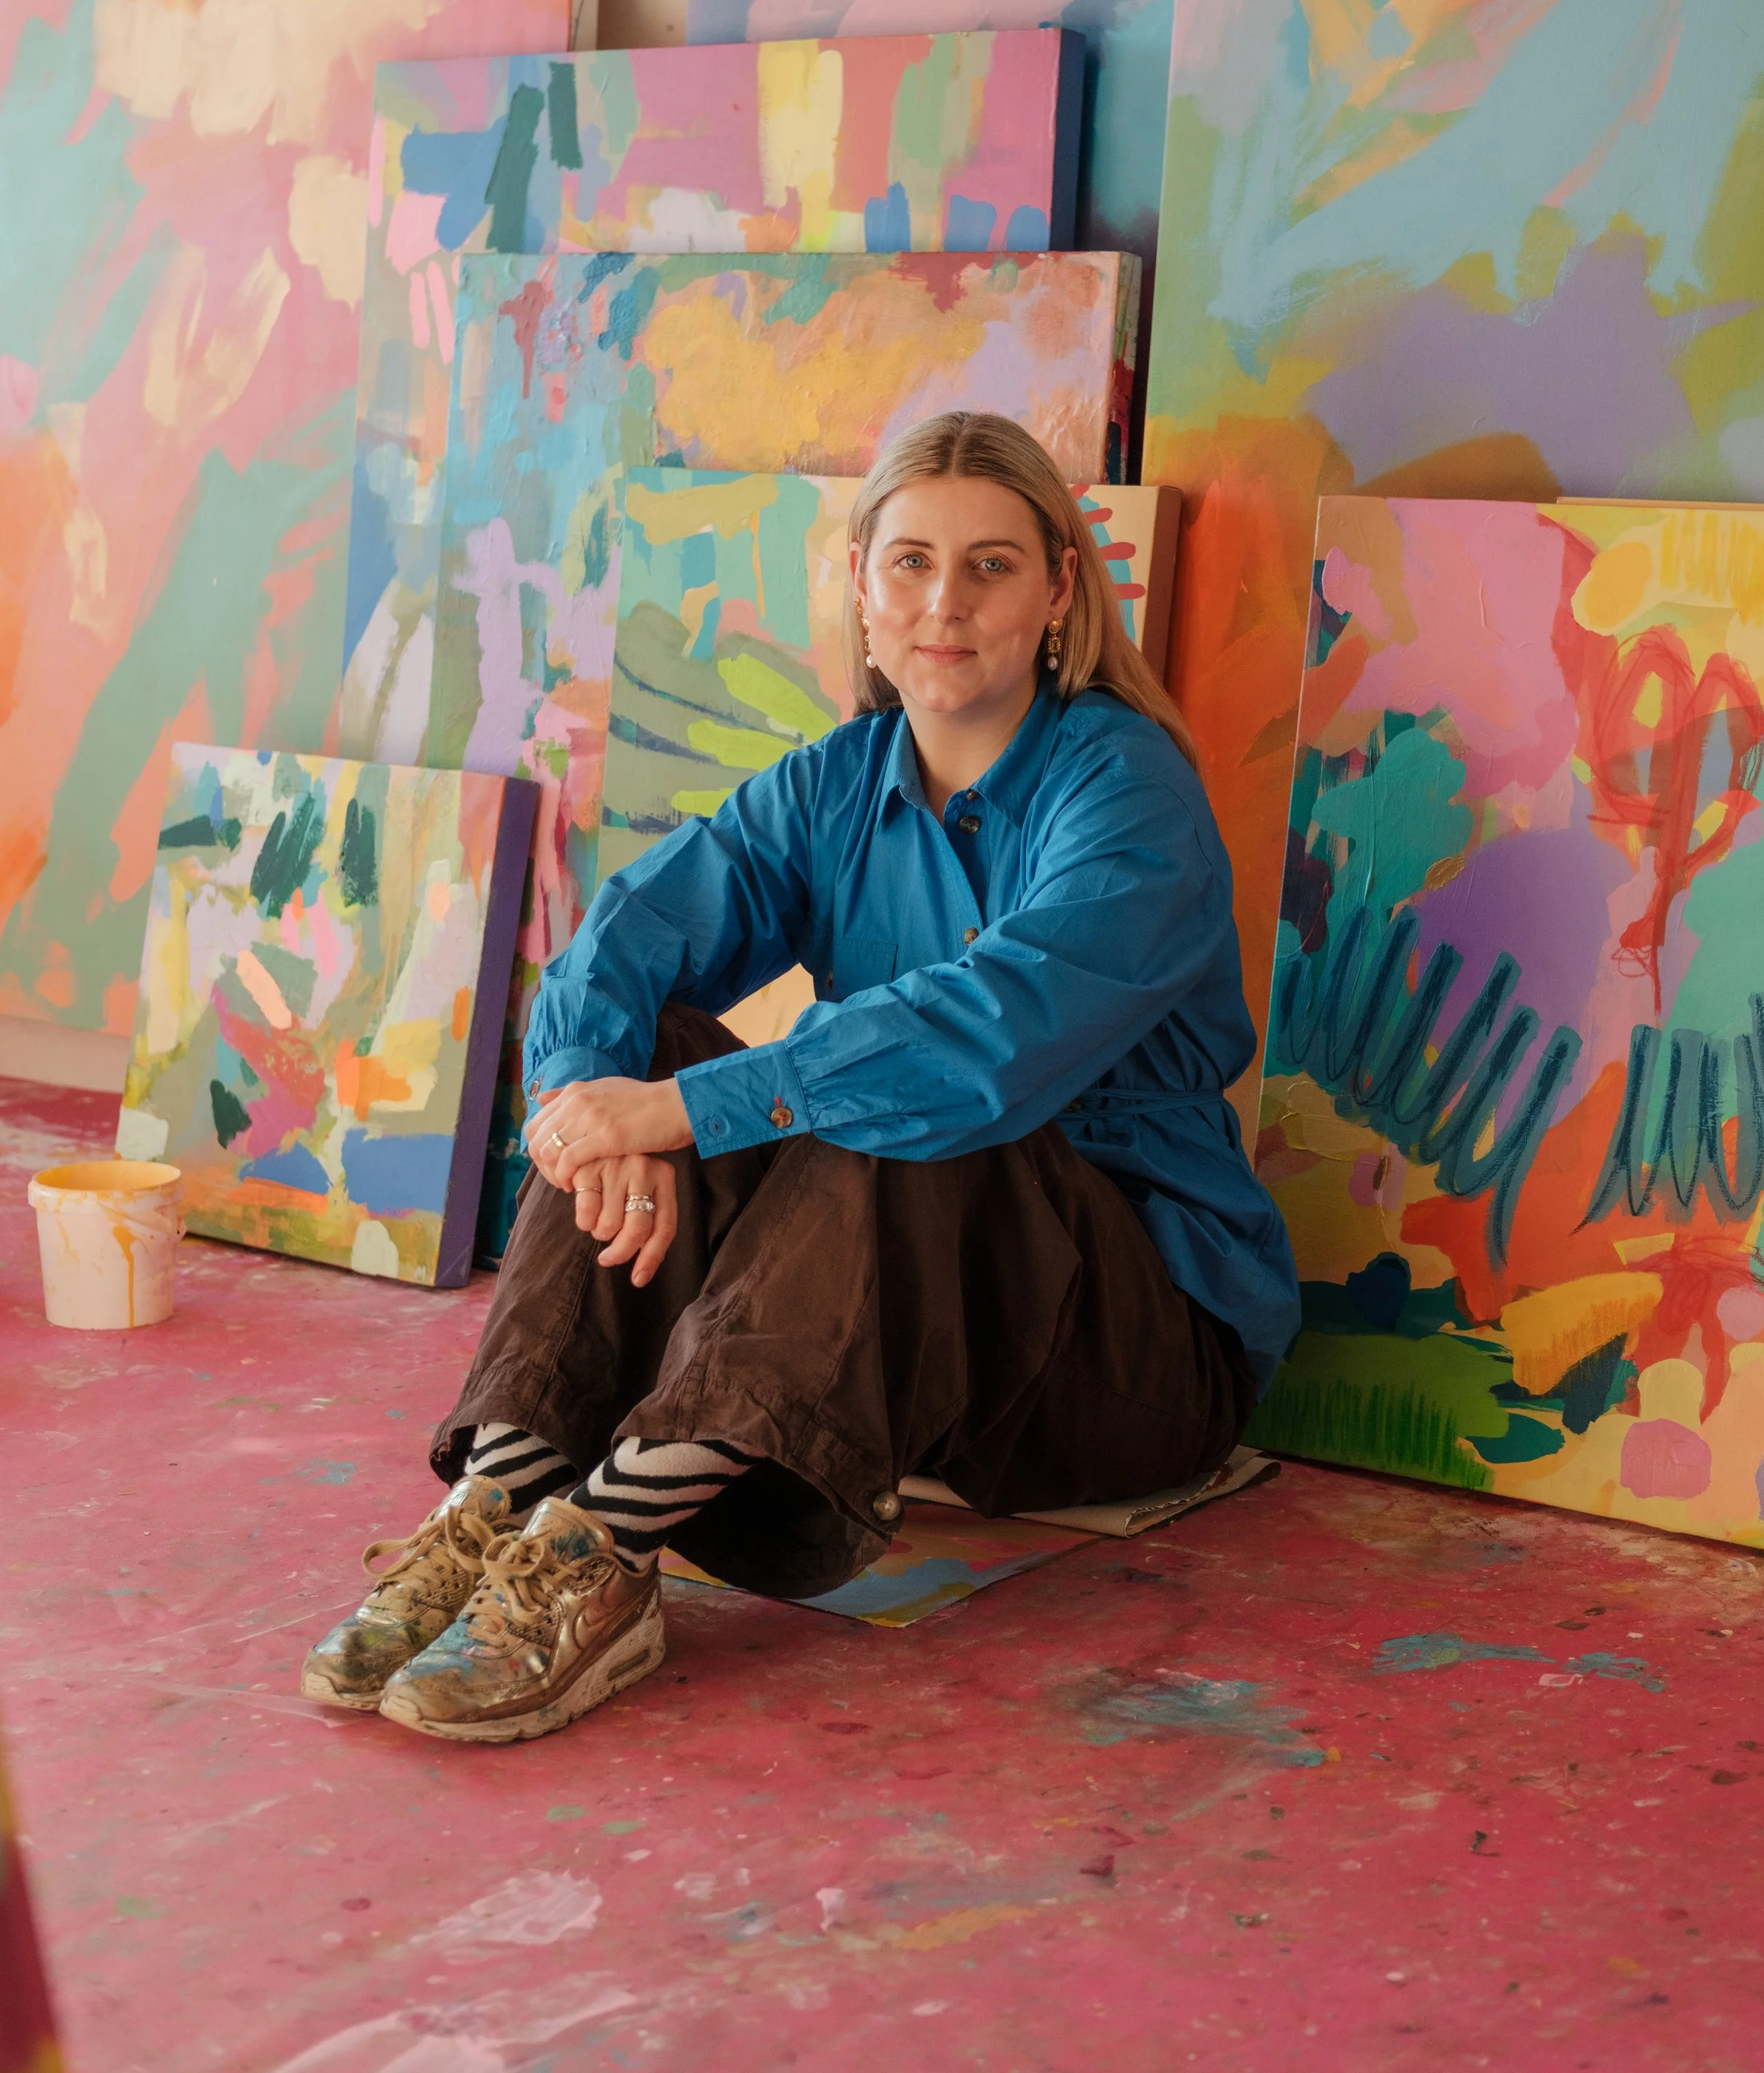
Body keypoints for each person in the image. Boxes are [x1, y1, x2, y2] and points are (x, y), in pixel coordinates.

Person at [301, 412, 1298, 1745]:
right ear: (863, 589)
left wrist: (688, 1115)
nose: (947, 604)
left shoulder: (1127, 794)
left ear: (1062, 590)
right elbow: (626, 943)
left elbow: (986, 1040)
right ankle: (500, 1498)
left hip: (1131, 1357)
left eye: (994, 567)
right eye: (913, 564)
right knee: (647, 1050)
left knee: (909, 1096)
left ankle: (605, 1548)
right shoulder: (838, 783)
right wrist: (610, 1122)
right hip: (902, 1342)